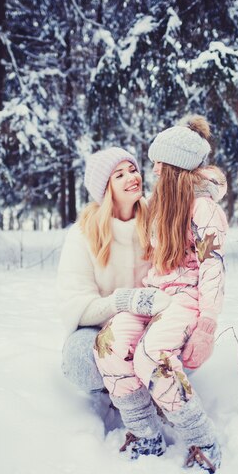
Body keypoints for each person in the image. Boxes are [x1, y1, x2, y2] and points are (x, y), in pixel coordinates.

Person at [93, 116, 228, 474]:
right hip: (155, 293)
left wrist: (207, 326)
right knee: (109, 344)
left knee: (152, 357)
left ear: (174, 168)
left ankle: (203, 440)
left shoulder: (204, 209)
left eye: (158, 163)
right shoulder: (160, 203)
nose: (151, 169)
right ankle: (145, 433)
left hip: (187, 298)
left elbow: (213, 267)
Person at [57, 146, 171, 394]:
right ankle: (110, 384)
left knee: (176, 342)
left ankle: (148, 382)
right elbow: (77, 306)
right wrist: (122, 301)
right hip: (98, 330)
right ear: (105, 189)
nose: (132, 177)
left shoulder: (156, 222)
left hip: (147, 327)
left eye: (132, 169)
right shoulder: (82, 234)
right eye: (119, 175)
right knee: (80, 359)